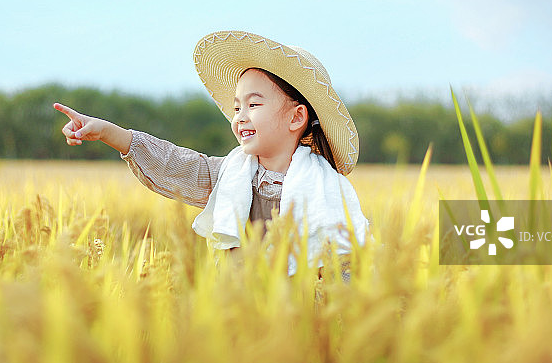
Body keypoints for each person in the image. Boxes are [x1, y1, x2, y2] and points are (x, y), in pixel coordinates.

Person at [54, 30, 369, 276]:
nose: (240, 115)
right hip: (237, 318)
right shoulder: (232, 175)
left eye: (254, 104)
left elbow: (345, 266)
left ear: (296, 117)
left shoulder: (326, 190)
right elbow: (174, 164)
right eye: (237, 107)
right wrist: (110, 133)